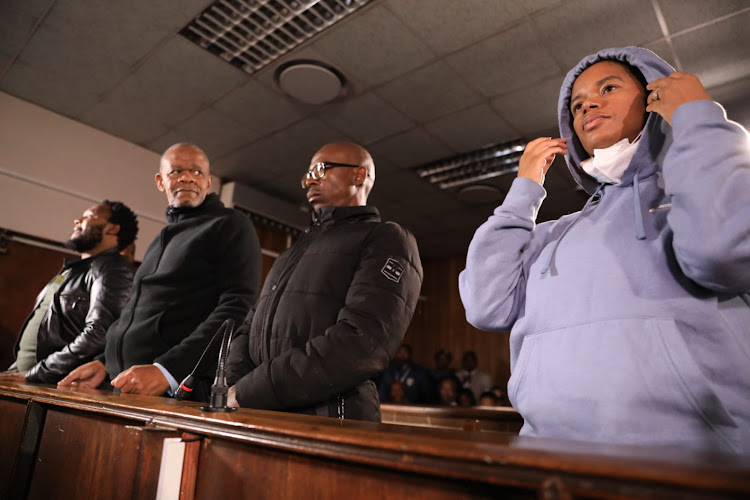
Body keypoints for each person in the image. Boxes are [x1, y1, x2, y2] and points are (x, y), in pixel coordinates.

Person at [459, 47, 750, 454]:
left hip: (687, 467)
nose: (587, 106)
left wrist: (696, 118)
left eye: (608, 88)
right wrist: (523, 191)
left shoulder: (700, 194)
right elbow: (487, 304)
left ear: (656, 97)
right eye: (576, 105)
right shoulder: (555, 234)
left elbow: (724, 251)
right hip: (549, 461)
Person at [225, 142, 423, 421]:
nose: (309, 180)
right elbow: (249, 328)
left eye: (320, 169)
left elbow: (361, 344)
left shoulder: (386, 239)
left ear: (358, 175)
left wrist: (253, 390)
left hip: (329, 418)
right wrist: (235, 386)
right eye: (307, 174)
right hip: (256, 410)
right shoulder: (292, 252)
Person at [59, 143, 261, 400]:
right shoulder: (161, 238)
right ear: (160, 181)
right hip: (125, 383)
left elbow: (237, 308)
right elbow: (134, 315)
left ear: (209, 183)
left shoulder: (231, 224)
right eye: (176, 171)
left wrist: (168, 371)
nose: (187, 177)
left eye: (197, 172)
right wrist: (104, 363)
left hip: (177, 392)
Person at [0, 201, 137, 384]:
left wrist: (39, 372)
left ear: (112, 228)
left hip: (55, 385)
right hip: (27, 377)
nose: (77, 220)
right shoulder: (73, 271)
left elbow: (99, 333)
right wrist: (17, 369)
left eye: (88, 216)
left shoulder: (111, 268)